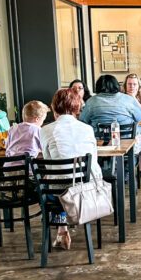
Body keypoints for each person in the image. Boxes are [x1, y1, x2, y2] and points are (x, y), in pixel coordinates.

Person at [40, 89, 102, 250]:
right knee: (65, 182)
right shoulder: (87, 129)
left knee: (53, 183)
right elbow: (93, 161)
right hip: (86, 192)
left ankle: (62, 230)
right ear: (76, 107)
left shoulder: (45, 130)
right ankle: (63, 230)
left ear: (54, 108)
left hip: (58, 195)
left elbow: (49, 164)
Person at [80, 74, 141, 154]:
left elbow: (83, 121)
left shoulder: (91, 101)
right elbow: (140, 117)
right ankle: (132, 163)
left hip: (99, 143)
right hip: (127, 141)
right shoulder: (128, 99)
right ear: (116, 85)